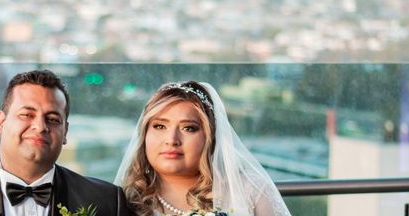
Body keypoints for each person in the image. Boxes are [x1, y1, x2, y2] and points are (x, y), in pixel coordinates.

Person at [0, 69, 131, 216]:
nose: (40, 126)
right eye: (26, 115)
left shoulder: (108, 202)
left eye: (53, 119)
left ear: (65, 132)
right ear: (1, 122)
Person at [115, 81, 291, 216]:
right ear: (144, 134)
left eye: (188, 128)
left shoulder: (251, 191)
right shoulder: (122, 201)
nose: (172, 140)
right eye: (160, 126)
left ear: (210, 136)